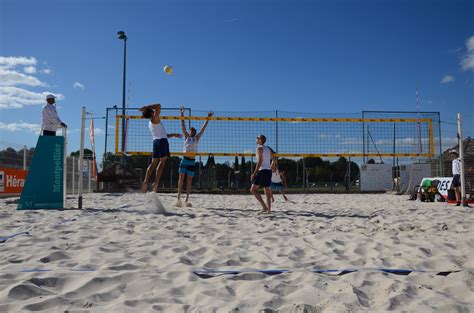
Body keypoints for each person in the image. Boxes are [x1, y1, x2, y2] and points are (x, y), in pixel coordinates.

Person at [175, 107, 214, 207]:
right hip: (184, 159)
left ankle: (186, 198)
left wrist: (208, 118)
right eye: (190, 131)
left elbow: (203, 129)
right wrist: (182, 114)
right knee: (180, 179)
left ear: (194, 132)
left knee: (189, 181)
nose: (191, 132)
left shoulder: (196, 138)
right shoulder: (186, 137)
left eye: (193, 131)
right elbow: (183, 125)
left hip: (192, 161)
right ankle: (178, 197)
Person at [139, 104, 182, 193]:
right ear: (151, 112)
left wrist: (173, 135)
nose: (154, 111)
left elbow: (162, 134)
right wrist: (146, 107)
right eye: (152, 110)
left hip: (156, 142)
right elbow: (158, 105)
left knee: (153, 163)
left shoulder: (151, 122)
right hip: (162, 142)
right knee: (162, 162)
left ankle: (145, 181)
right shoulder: (155, 118)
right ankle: (156, 183)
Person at [250, 134, 275, 214]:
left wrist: (254, 173)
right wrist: (270, 167)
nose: (256, 138)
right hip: (268, 171)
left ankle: (264, 207)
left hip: (262, 171)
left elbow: (260, 162)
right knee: (267, 190)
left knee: (253, 189)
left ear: (260, 140)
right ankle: (269, 210)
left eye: (257, 138)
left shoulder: (259, 148)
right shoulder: (268, 148)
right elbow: (274, 159)